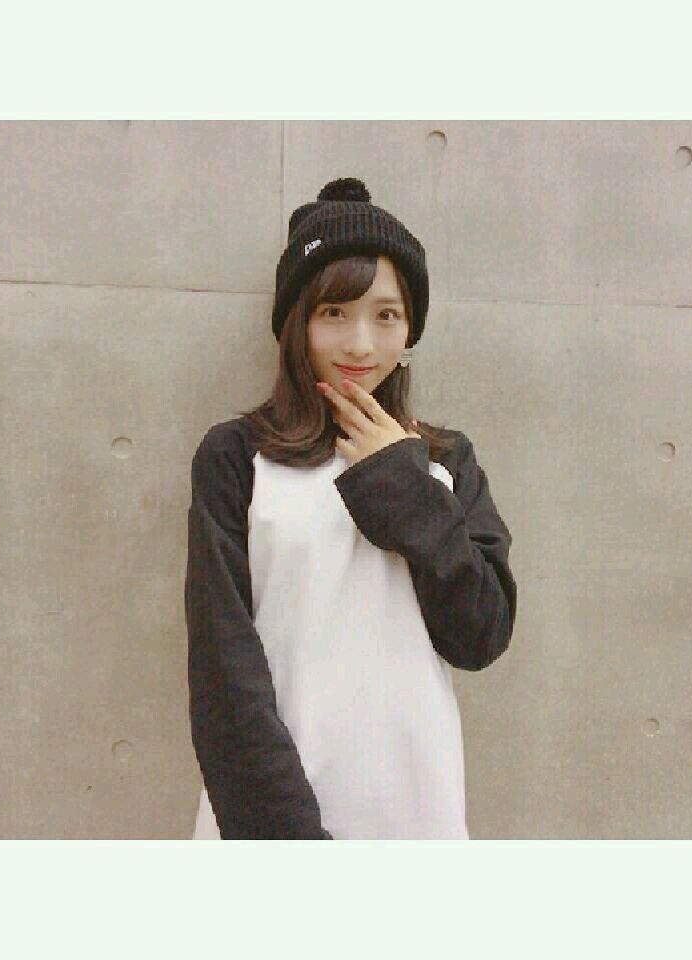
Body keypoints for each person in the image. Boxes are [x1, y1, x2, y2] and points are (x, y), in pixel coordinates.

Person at [185, 176, 517, 839]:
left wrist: (402, 482)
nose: (361, 344)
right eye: (334, 312)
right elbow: (222, 668)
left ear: (411, 327)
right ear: (297, 322)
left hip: (414, 811)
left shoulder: (445, 461)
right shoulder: (238, 456)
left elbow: (480, 635)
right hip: (271, 818)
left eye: (386, 315)